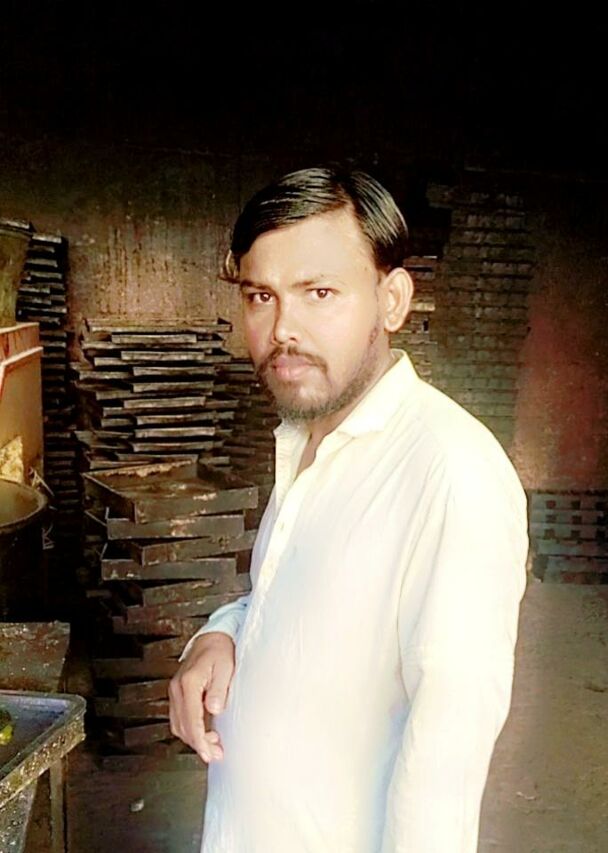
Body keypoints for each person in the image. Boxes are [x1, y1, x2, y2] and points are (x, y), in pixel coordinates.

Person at [169, 166, 529, 852]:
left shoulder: (451, 474)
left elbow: (442, 776)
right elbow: (283, 605)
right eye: (261, 296)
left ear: (391, 301)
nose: (283, 330)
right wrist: (218, 637)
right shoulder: (306, 438)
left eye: (320, 293)